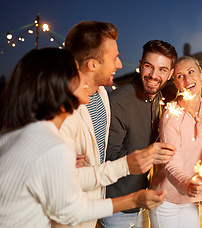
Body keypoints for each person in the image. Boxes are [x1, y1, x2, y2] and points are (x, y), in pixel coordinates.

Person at [0, 48, 166, 228]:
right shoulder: (52, 146)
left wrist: (126, 166)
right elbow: (71, 212)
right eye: (77, 74)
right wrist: (135, 199)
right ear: (57, 84)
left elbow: (69, 183)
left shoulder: (13, 134)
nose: (86, 78)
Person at [57, 21, 175, 228]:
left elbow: (95, 154)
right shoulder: (67, 108)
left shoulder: (102, 95)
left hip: (105, 203)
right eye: (115, 58)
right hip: (90, 208)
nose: (120, 65)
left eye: (163, 69)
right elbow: (64, 175)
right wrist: (140, 158)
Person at [103, 40, 178, 228]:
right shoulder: (118, 102)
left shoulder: (159, 99)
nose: (154, 75)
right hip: (117, 207)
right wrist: (150, 155)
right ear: (139, 66)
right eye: (149, 67)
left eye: (162, 70)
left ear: (170, 74)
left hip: (145, 203)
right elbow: (108, 157)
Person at [149, 56, 202, 228]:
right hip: (165, 199)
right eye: (180, 76)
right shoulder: (171, 114)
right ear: (176, 83)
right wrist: (187, 183)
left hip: (190, 200)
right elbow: (171, 162)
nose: (187, 80)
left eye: (191, 72)